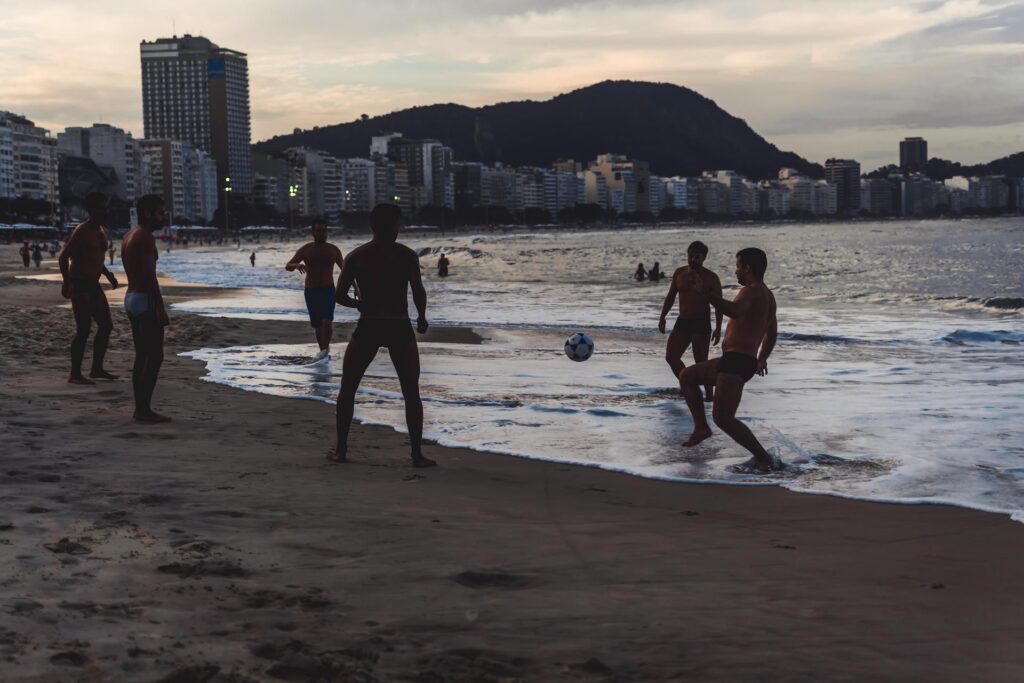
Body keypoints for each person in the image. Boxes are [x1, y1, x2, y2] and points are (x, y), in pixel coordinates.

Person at [329, 203, 434, 467]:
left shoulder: (356, 256)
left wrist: (358, 304)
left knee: (348, 388)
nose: (399, 229)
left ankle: (341, 450)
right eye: (397, 224)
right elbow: (418, 290)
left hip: (369, 325)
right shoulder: (407, 255)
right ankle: (417, 454)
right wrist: (422, 317)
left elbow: (339, 296)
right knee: (411, 391)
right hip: (399, 325)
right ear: (389, 226)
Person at [678, 248, 779, 472]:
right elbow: (771, 333)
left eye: (737, 266)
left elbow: (734, 311)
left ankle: (764, 458)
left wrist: (709, 295)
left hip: (737, 361)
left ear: (747, 268)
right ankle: (701, 428)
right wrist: (761, 358)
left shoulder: (751, 291)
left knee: (723, 418)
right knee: (687, 376)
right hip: (740, 361)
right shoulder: (768, 297)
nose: (736, 271)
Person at [58, 193, 119, 384]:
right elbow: (63, 257)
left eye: (107, 208)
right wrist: (66, 282)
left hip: (94, 285)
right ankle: (75, 374)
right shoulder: (82, 231)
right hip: (79, 284)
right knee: (83, 329)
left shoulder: (100, 230)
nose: (106, 211)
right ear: (93, 210)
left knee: (106, 325)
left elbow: (95, 258)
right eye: (103, 208)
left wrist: (108, 275)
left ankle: (96, 369)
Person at [121, 195, 171, 423]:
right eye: (161, 212)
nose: (164, 216)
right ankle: (143, 410)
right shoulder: (145, 237)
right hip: (144, 298)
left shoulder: (129, 235)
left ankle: (140, 408)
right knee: (155, 356)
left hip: (131, 297)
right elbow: (150, 275)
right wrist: (159, 305)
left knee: (142, 355)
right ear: (148, 214)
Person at [659, 241, 723, 401]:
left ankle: (709, 396)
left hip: (701, 323)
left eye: (697, 257)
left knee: (701, 362)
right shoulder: (679, 273)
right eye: (691, 256)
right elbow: (671, 296)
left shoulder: (711, 278)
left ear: (704, 258)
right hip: (683, 321)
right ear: (687, 255)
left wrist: (718, 328)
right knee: (671, 357)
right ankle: (687, 383)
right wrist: (662, 316)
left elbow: (719, 305)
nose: (693, 259)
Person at [285, 219, 346, 361]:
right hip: (311, 291)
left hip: (328, 290)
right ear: (313, 232)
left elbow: (345, 270)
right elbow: (288, 266)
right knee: (318, 325)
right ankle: (323, 351)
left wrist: (356, 288)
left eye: (324, 230)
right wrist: (297, 265)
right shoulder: (306, 249)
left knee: (327, 322)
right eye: (318, 230)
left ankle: (325, 351)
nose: (321, 233)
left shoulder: (333, 250)